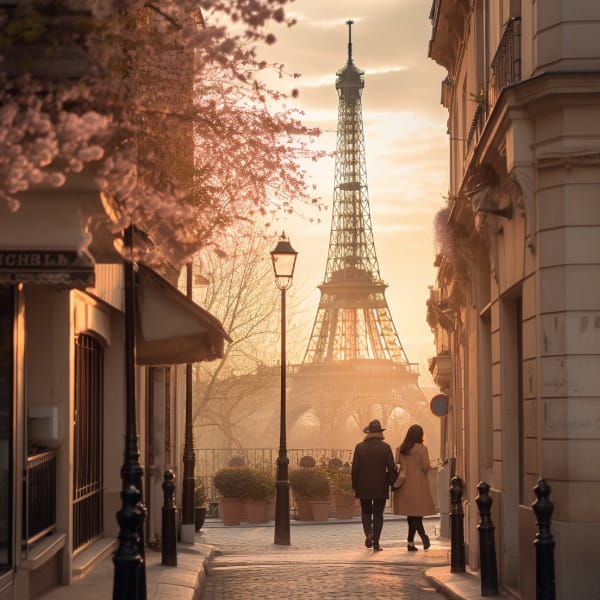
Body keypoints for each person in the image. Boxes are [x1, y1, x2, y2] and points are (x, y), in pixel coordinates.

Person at [351, 419, 396, 551]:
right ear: (380, 432)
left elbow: (355, 469)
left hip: (363, 486)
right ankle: (376, 542)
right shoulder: (386, 447)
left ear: (369, 432)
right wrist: (390, 483)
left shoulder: (359, 447)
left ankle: (368, 534)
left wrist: (355, 485)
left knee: (365, 512)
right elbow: (391, 468)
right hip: (380, 486)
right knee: (378, 514)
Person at [392, 423, 437, 551]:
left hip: (405, 483)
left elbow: (397, 463)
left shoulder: (401, 449)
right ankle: (423, 536)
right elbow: (425, 466)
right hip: (419, 483)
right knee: (417, 514)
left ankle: (410, 543)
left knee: (411, 514)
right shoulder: (423, 449)